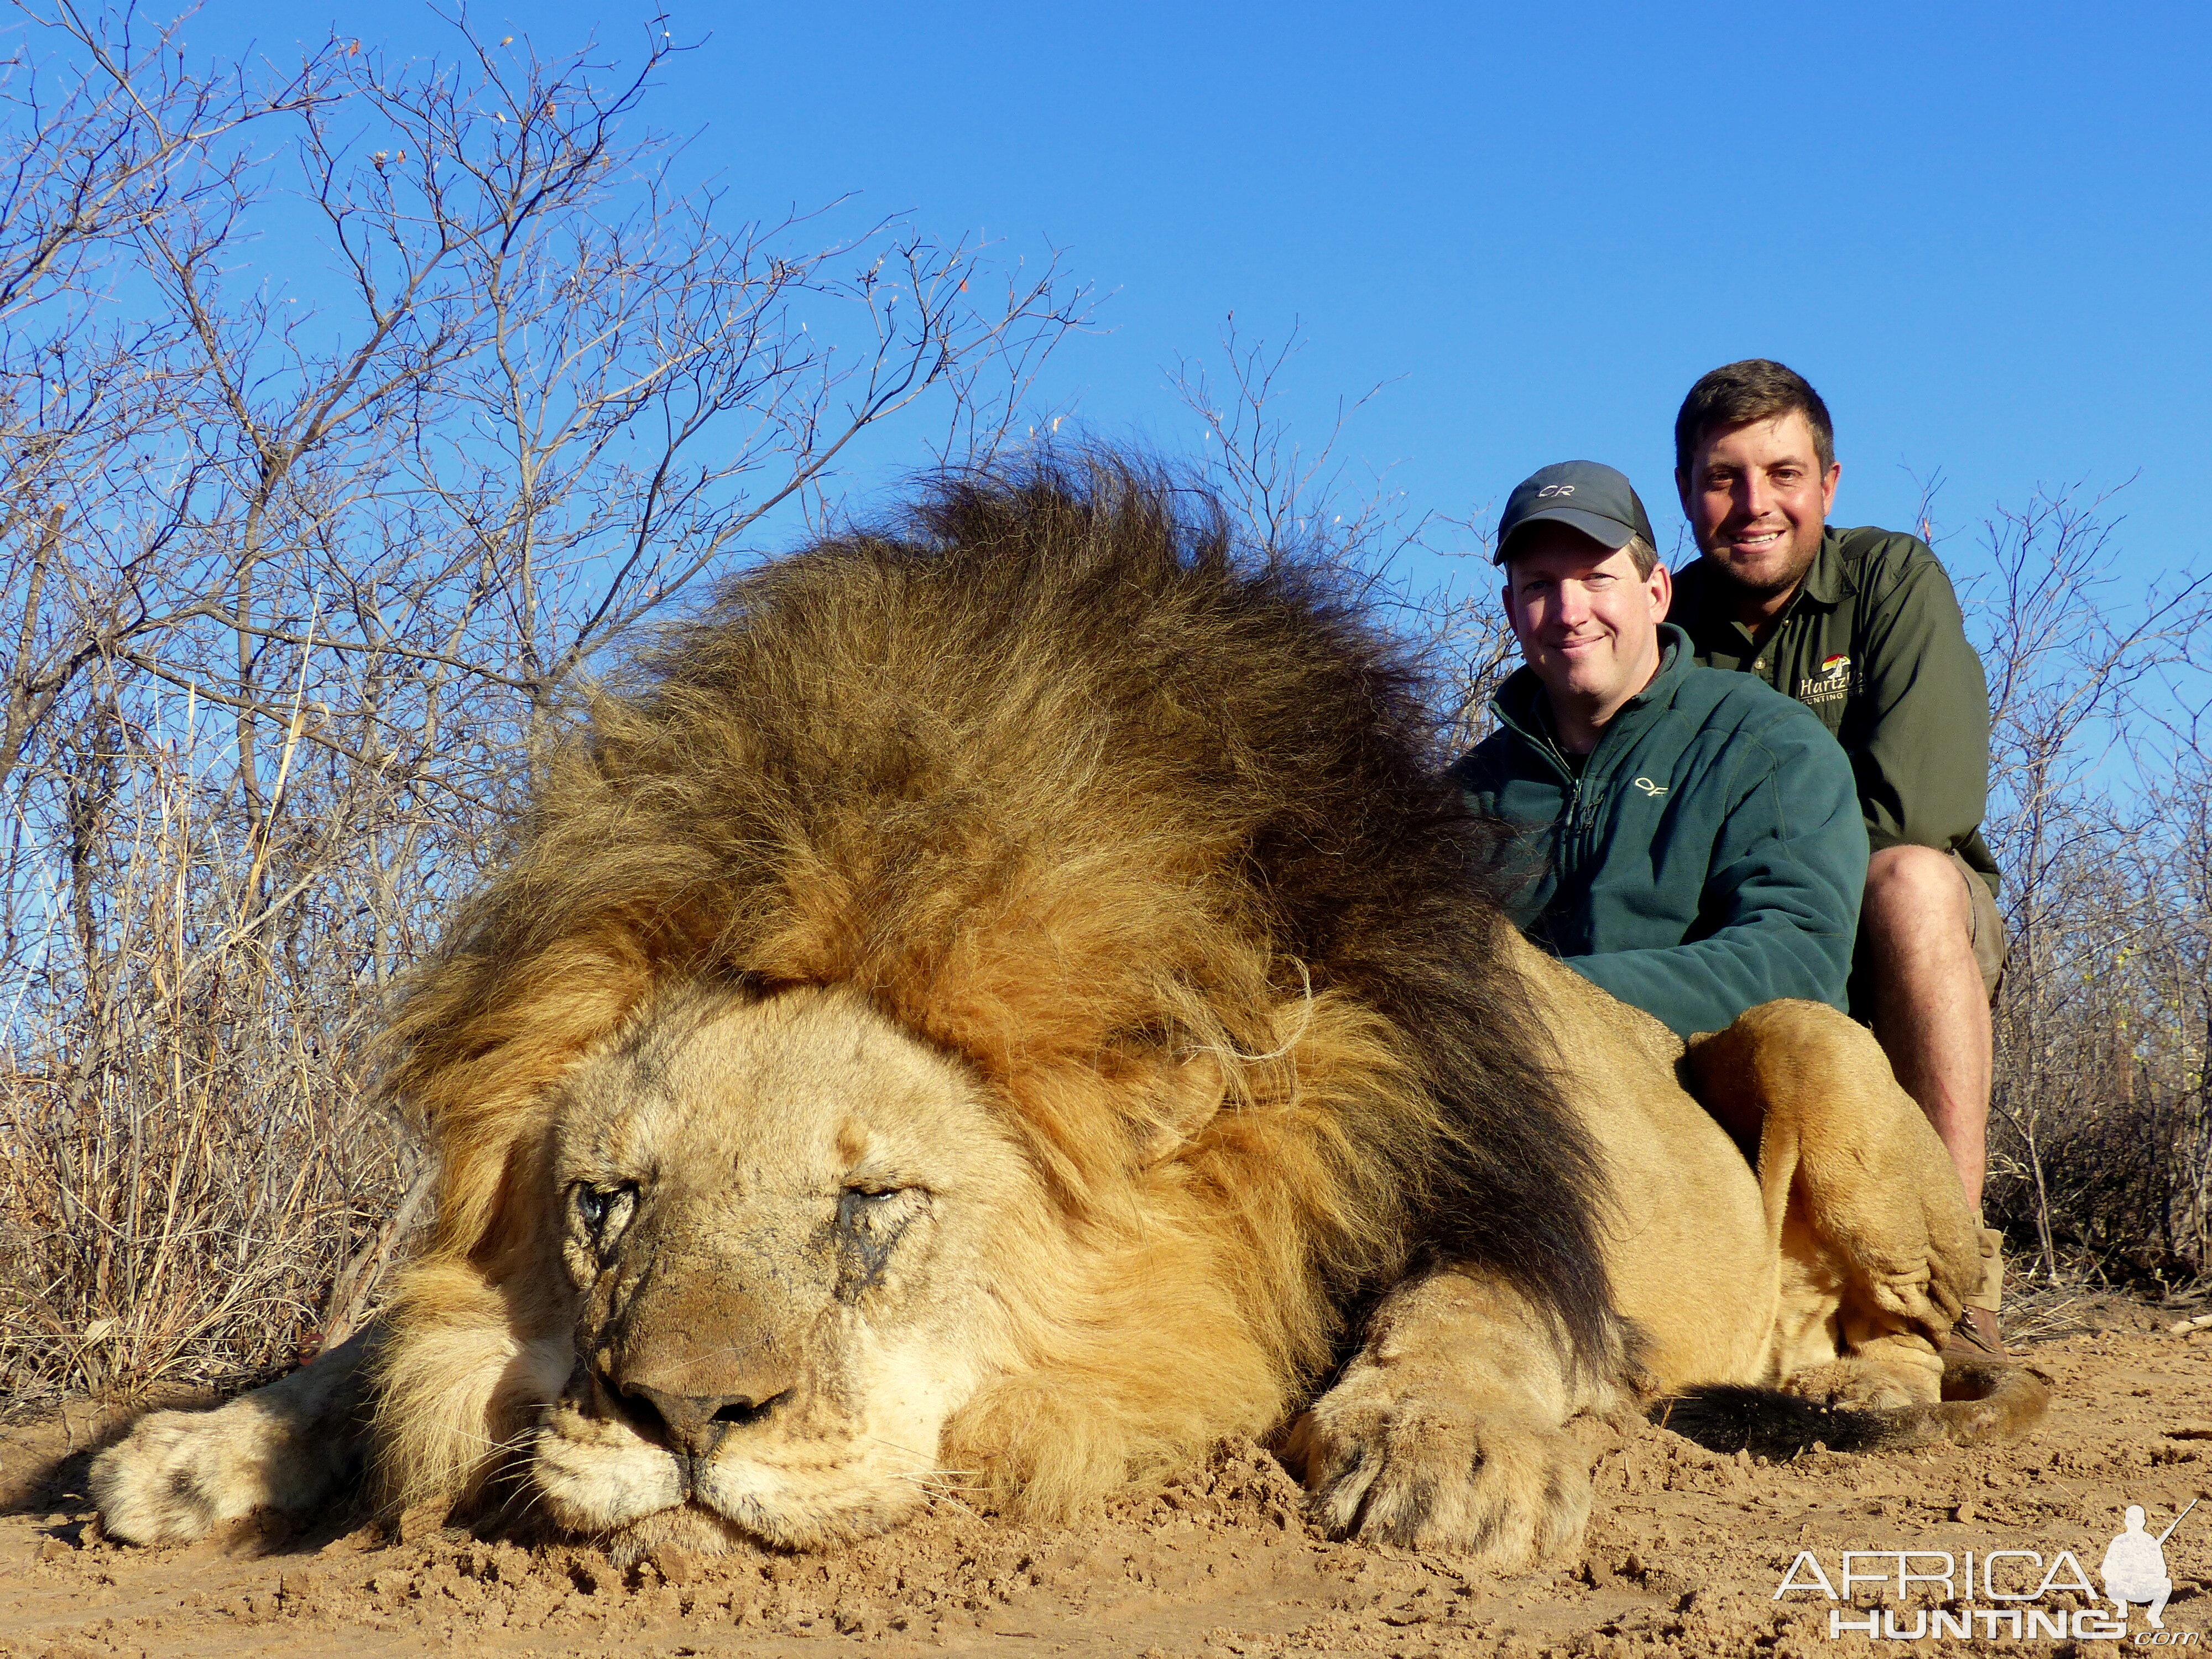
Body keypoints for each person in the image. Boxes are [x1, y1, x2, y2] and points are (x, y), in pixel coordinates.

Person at [1668, 359, 2007, 1350]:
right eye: (1722, 478)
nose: (1753, 504)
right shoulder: (1659, 620)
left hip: (1873, 920)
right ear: (1688, 494)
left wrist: (1767, 897)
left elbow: (1921, 802)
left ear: (1829, 482)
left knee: (1909, 880)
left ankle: (1958, 1283)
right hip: (1728, 930)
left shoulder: (1892, 579)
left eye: (1781, 473)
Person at [1450, 460, 1867, 1042]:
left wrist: (1542, 998)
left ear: (1655, 594)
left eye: (1597, 578)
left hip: (1697, 1100)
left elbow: (1797, 963)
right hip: (1511, 1097)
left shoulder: (1765, 744)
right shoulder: (1459, 799)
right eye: (1540, 586)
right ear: (1511, 611)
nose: (1570, 614)